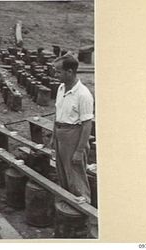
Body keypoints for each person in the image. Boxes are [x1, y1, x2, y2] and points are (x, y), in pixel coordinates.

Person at [52, 54, 94, 203]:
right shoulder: (61, 88)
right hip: (60, 134)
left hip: (73, 136)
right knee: (62, 172)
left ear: (69, 72)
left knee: (76, 175)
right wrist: (53, 139)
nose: (55, 74)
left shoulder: (83, 94)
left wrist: (79, 150)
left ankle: (83, 209)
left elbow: (87, 124)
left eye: (58, 71)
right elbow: (58, 114)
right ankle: (67, 206)